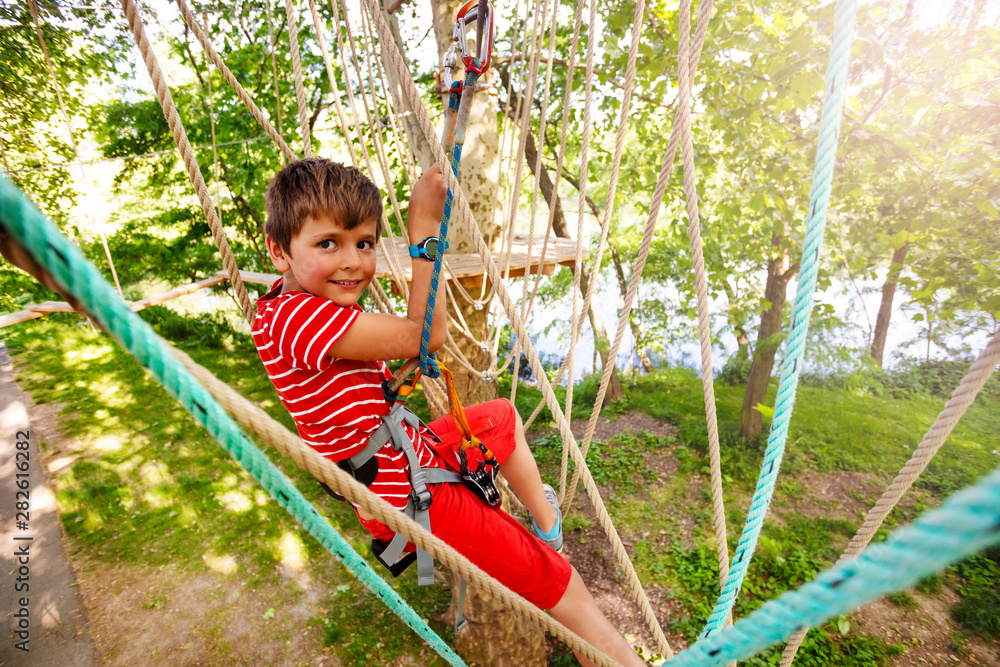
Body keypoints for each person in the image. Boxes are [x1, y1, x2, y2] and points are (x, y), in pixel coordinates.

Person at [252, 157, 646, 667]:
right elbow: (427, 333)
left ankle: (546, 521)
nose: (352, 262)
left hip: (400, 455)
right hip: (413, 497)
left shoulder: (290, 306)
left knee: (501, 417)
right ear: (279, 251)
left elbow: (363, 366)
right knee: (562, 585)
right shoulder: (299, 319)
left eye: (364, 243)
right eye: (329, 243)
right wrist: (424, 236)